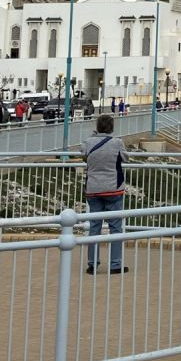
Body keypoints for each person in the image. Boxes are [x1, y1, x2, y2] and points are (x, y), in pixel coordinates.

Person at [80, 114, 128, 275]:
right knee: (115, 227)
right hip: (113, 188)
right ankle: (115, 264)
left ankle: (92, 264)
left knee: (94, 227)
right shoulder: (117, 142)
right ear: (112, 127)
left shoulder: (88, 142)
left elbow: (84, 154)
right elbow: (125, 158)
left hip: (93, 189)